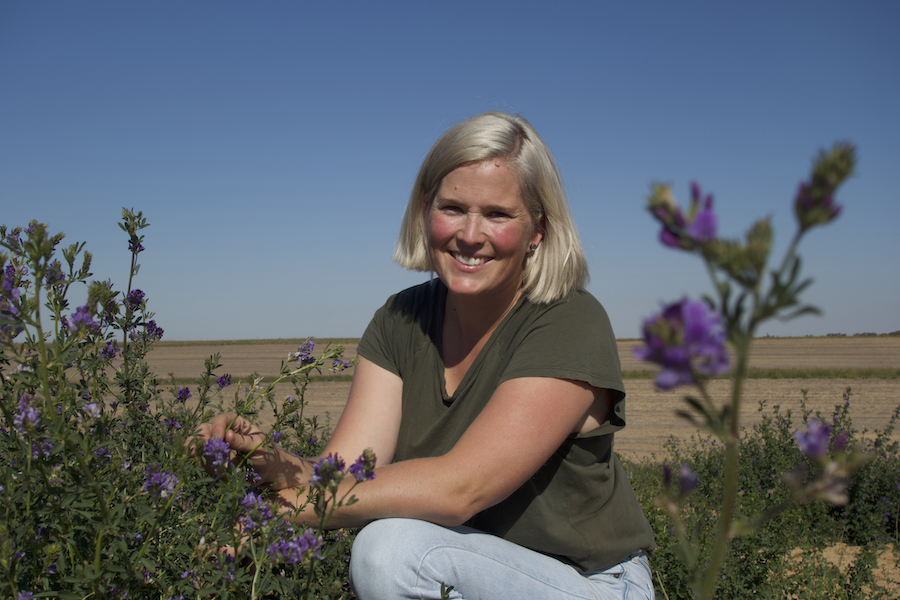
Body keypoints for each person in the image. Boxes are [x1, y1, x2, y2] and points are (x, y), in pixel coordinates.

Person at [198, 111, 656, 599]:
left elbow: (462, 489)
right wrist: (272, 462)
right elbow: (348, 470)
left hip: (587, 582)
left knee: (390, 551)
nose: (470, 234)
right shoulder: (401, 319)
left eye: (498, 215)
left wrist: (282, 511)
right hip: (465, 564)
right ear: (425, 210)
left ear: (537, 230)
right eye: (453, 208)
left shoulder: (568, 321)